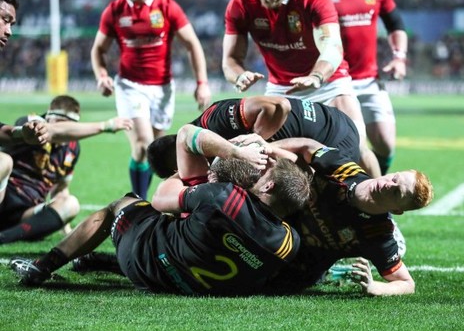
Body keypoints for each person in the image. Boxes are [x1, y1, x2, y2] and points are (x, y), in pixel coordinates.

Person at [10, 124, 312, 297]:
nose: (263, 167)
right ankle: (99, 262)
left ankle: (43, 266)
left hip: (147, 261)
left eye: (266, 171)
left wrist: (232, 154)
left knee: (124, 203)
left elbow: (161, 197)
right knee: (194, 228)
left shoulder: (222, 196)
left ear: (269, 188)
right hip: (189, 286)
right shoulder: (290, 243)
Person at [222, 0, 380, 178]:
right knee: (268, 156)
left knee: (356, 149)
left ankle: (379, 204)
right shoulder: (241, 3)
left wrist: (316, 76)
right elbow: (230, 59)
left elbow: (332, 47)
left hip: (329, 84)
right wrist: (239, 76)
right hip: (281, 89)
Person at [261, 137, 433, 296]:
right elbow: (309, 145)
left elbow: (407, 283)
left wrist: (375, 287)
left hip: (293, 267)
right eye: (395, 178)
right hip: (272, 218)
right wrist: (267, 147)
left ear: (396, 210)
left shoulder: (378, 234)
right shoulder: (344, 171)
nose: (387, 184)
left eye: (396, 192)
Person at [91, 0, 212, 200]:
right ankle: (139, 203)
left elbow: (192, 44)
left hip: (163, 89)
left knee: (153, 153)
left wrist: (202, 83)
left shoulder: (166, 6)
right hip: (130, 86)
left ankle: (140, 202)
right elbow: (98, 49)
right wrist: (102, 76)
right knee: (142, 144)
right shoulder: (115, 10)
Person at [0, 95, 133, 245]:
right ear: (48, 117)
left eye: (71, 125)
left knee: (71, 204)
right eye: (61, 123)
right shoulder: (31, 123)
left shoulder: (73, 148)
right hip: (4, 196)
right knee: (4, 161)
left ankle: (5, 237)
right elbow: (55, 131)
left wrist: (64, 224)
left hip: (27, 213)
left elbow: (60, 189)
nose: (67, 131)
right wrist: (106, 125)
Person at [147, 95, 363, 179]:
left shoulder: (214, 121)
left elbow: (278, 106)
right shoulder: (211, 143)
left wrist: (256, 142)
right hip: (332, 127)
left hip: (332, 137)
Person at [328, 0, 407, 175]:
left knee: (386, 144)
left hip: (370, 80)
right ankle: (361, 195)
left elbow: (395, 24)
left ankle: (374, 186)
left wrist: (399, 57)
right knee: (354, 146)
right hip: (336, 82)